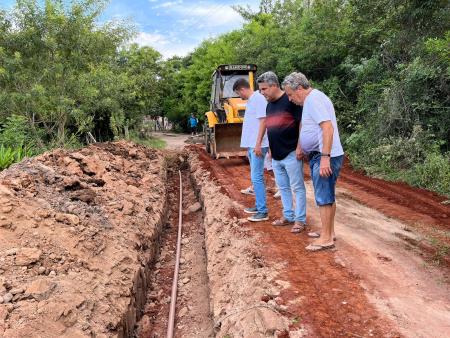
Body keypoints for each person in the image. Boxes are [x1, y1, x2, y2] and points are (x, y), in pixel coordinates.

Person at [283, 72, 344, 251]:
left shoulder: (313, 100)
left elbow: (327, 127)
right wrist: (302, 146)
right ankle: (329, 232)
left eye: (290, 94)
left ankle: (326, 238)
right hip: (324, 154)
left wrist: (325, 157)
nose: (290, 98)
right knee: (328, 194)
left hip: (324, 155)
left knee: (323, 196)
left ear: (299, 89)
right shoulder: (314, 99)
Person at [256, 71, 307, 233]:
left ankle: (300, 220)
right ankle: (288, 216)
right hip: (276, 155)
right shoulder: (269, 105)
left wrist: (300, 146)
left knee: (297, 187)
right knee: (283, 188)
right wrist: (270, 149)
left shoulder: (290, 100)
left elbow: (302, 123)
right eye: (260, 90)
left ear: (274, 86)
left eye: (264, 89)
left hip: (292, 152)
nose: (262, 93)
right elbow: (271, 128)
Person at [233, 78, 270, 222]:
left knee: (257, 178)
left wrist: (258, 143)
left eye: (238, 93)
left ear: (242, 89)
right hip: (252, 145)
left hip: (257, 146)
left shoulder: (259, 99)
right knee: (255, 178)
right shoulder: (252, 100)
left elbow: (263, 121)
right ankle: (258, 205)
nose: (239, 96)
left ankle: (262, 211)